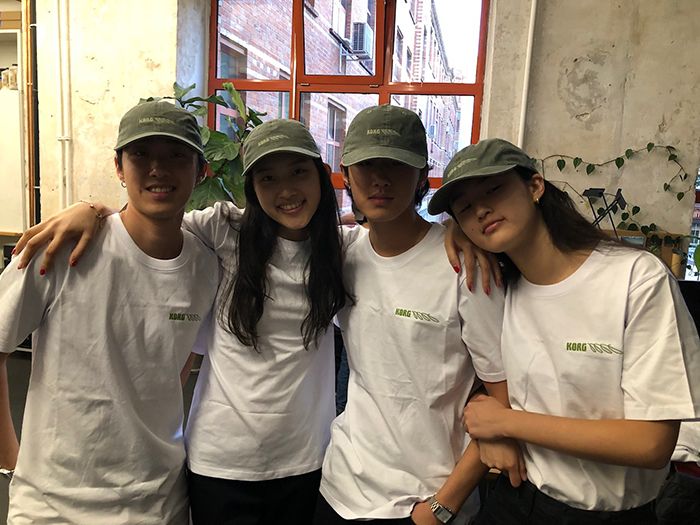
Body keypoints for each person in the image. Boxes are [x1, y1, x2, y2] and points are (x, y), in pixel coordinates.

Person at [10, 118, 350, 525]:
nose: (287, 190)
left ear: (321, 174)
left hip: (305, 458)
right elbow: (149, 219)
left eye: (298, 172)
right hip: (221, 461)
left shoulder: (344, 251)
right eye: (268, 178)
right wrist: (92, 209)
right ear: (252, 188)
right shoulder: (225, 232)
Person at [428, 137, 700, 524]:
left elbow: (651, 443)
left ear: (535, 186)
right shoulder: (501, 286)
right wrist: (451, 232)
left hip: (610, 513)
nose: (481, 210)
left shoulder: (634, 278)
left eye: (494, 190)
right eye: (465, 208)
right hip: (517, 496)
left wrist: (505, 423)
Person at [0, 99, 219, 523]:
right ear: (119, 167)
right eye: (141, 155)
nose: (158, 169)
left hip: (160, 505)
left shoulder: (207, 267)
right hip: (54, 508)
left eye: (176, 156)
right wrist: (11, 460)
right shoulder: (61, 248)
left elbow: (176, 366)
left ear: (200, 171)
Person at [314, 104, 516, 525]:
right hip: (340, 489)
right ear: (345, 173)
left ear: (423, 174)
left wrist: (441, 508)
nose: (380, 179)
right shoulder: (342, 254)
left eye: (396, 164)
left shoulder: (465, 266)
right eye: (367, 165)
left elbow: (505, 402)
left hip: (425, 500)